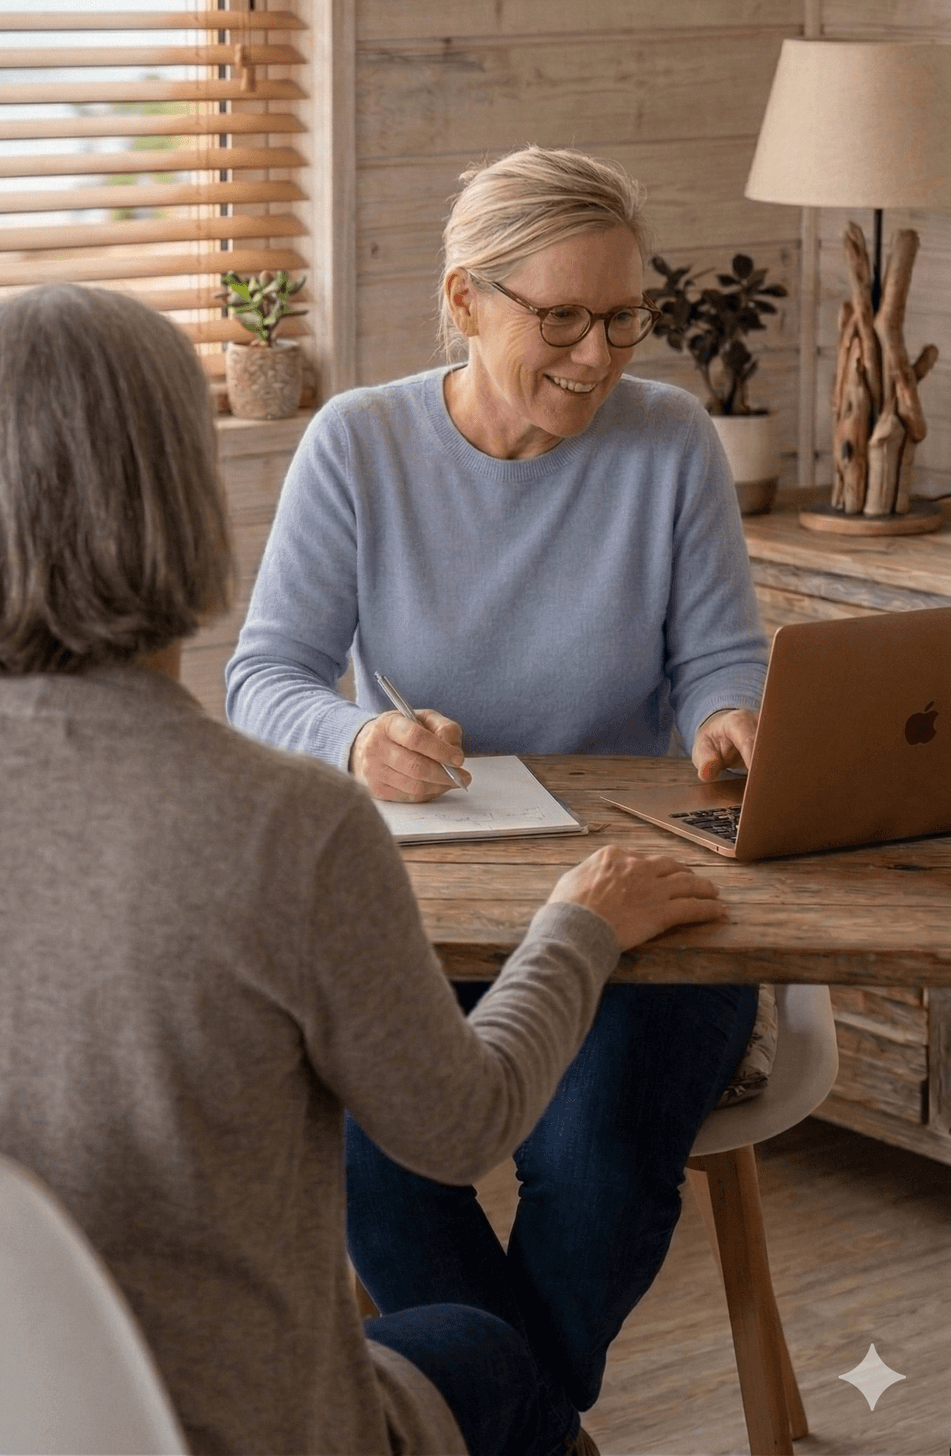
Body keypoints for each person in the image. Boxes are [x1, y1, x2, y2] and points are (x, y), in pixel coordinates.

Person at [0, 282, 730, 1456]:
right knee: (491, 1359)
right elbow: (461, 1126)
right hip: (250, 1429)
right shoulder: (291, 824)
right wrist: (577, 927)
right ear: (182, 499)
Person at [226, 146, 768, 1424]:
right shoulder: (360, 444)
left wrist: (731, 720)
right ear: (465, 299)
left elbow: (719, 659)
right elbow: (264, 677)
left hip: (638, 901)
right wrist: (358, 738)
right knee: (371, 1146)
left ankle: (490, 1429)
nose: (599, 355)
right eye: (563, 318)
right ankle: (530, 1433)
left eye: (624, 317)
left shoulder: (671, 442)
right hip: (430, 908)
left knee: (593, 1149)